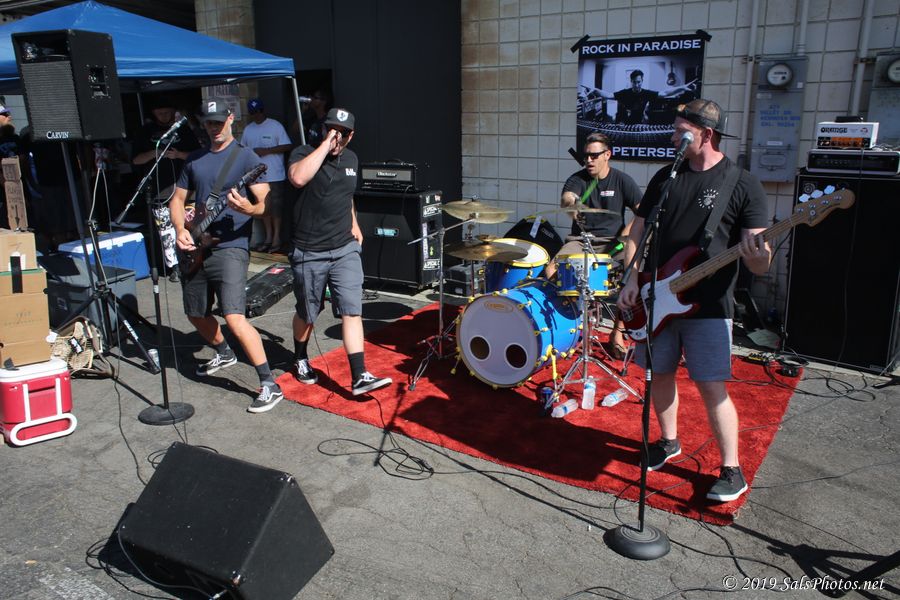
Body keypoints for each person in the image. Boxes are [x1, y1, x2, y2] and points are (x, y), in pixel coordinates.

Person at [617, 99, 771, 502]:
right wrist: (632, 275)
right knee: (660, 373)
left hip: (710, 305)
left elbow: (759, 261)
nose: (673, 137)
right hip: (656, 296)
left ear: (707, 133)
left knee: (710, 385)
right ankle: (668, 441)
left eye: (681, 131)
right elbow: (637, 230)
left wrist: (758, 256)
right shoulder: (667, 176)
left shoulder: (742, 184)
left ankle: (732, 469)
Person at [169, 97, 284, 414]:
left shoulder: (246, 157)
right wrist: (179, 229)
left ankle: (269, 384)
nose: (214, 128)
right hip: (196, 244)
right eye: (209, 122)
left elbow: (264, 204)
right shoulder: (195, 159)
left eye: (219, 122)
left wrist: (249, 208)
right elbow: (177, 200)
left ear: (231, 119)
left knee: (234, 316)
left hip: (231, 246)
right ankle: (224, 351)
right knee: (195, 312)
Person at [286, 107, 392, 396]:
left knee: (351, 310)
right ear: (323, 129)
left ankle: (359, 375)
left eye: (343, 133)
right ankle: (299, 356)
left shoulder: (352, 159)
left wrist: (354, 223)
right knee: (308, 312)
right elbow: (298, 178)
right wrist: (325, 145)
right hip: (310, 250)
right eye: (331, 129)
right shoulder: (304, 153)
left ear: (351, 136)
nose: (337, 137)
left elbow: (346, 196)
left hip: (344, 247)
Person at [545, 132, 641, 358]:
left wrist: (625, 234)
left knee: (632, 275)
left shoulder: (622, 180)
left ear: (607, 155)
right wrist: (573, 204)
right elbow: (567, 198)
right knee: (551, 270)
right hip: (581, 241)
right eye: (586, 156)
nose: (589, 160)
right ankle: (572, 324)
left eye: (594, 155)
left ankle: (617, 332)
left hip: (613, 243)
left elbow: (642, 212)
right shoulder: (577, 179)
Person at [240, 98, 292, 253]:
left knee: (276, 207)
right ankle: (268, 237)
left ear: (263, 111)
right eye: (253, 113)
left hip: (275, 174)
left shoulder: (275, 125)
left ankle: (277, 238)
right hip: (256, 176)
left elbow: (287, 145)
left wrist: (267, 151)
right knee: (263, 208)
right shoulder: (248, 129)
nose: (256, 115)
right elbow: (242, 149)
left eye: (258, 111)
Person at [132, 96, 201, 197]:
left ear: (173, 111)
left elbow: (199, 157)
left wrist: (178, 154)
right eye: (160, 113)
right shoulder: (145, 131)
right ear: (154, 113)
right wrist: (155, 153)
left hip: (185, 188)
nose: (163, 116)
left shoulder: (184, 130)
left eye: (166, 112)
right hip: (158, 190)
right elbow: (136, 160)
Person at [593, 70, 697, 125]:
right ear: (631, 81)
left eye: (638, 82)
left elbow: (664, 93)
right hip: (623, 125)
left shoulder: (646, 93)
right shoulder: (624, 93)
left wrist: (682, 88)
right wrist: (595, 90)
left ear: (642, 81)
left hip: (639, 124)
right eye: (634, 82)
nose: (636, 85)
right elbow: (609, 95)